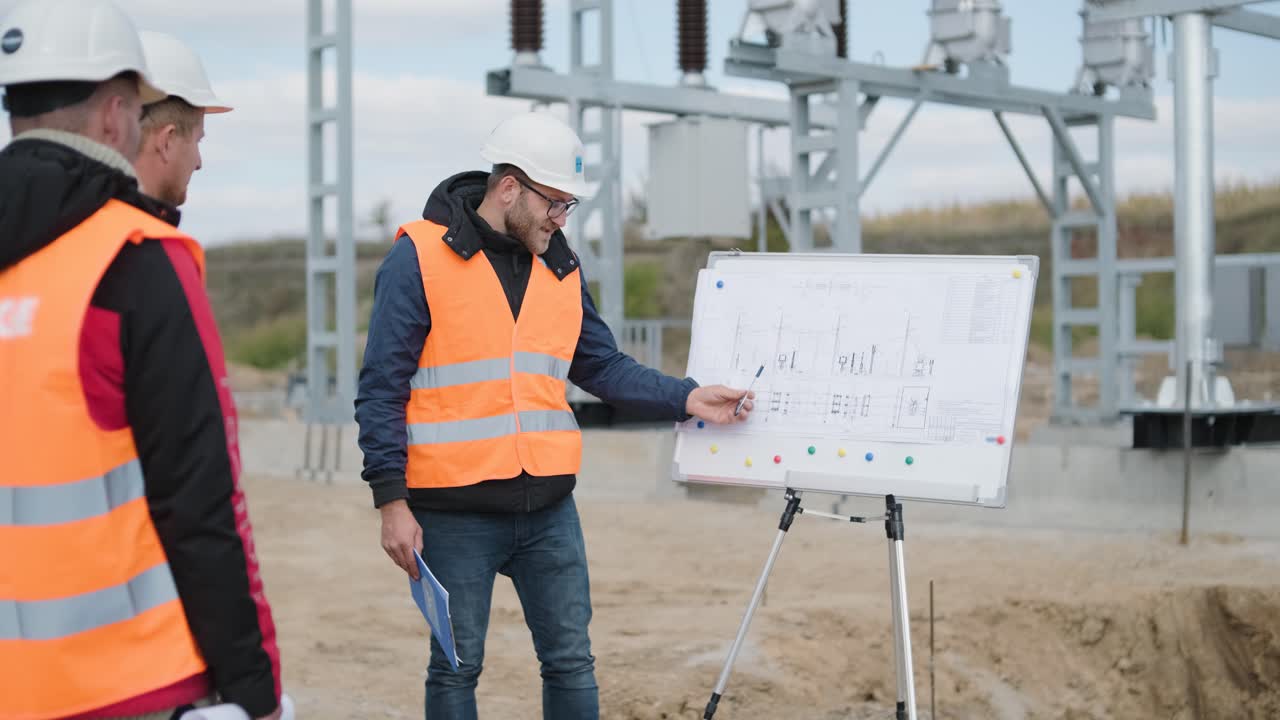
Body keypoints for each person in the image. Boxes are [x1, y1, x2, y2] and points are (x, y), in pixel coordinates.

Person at [354, 109, 755, 720]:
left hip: (548, 512)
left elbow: (600, 366)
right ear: (509, 188)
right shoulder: (418, 259)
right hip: (451, 512)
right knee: (456, 670)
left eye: (569, 206)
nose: (561, 218)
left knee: (571, 661)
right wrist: (391, 502)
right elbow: (381, 388)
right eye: (556, 204)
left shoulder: (560, 265)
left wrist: (687, 396)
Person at [0, 1, 282, 718]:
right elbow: (202, 504)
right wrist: (255, 689)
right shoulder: (134, 262)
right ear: (116, 115)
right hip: (124, 682)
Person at [133, 30, 232, 208]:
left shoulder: (73, 222)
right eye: (197, 141)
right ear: (167, 141)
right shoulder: (148, 235)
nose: (199, 163)